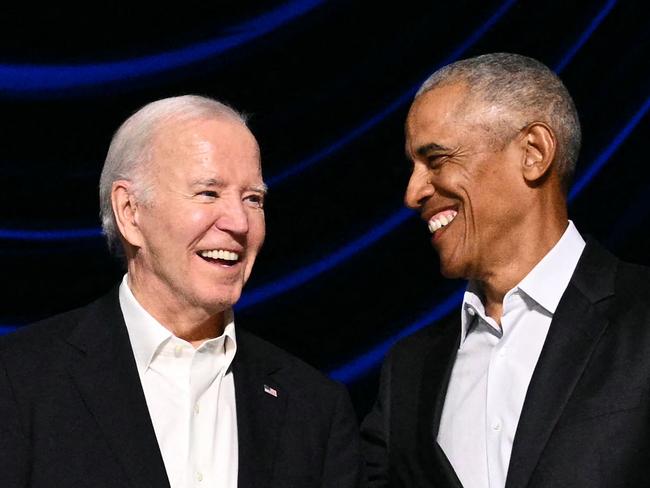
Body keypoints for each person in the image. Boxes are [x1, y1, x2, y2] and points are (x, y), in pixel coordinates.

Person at [0, 95, 361, 488]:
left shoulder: (315, 410)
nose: (239, 222)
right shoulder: (18, 381)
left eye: (253, 199)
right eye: (209, 193)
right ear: (130, 211)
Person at [361, 53, 650, 487]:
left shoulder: (642, 317)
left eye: (436, 159)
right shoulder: (409, 371)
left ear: (533, 152)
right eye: (413, 167)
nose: (413, 192)